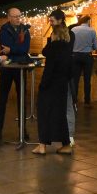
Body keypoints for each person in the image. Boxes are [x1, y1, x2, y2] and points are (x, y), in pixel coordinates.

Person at [33, 15, 75, 154]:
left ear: (54, 35)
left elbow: (49, 68)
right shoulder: (67, 49)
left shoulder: (53, 48)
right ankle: (66, 144)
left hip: (50, 86)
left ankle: (42, 145)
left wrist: (42, 85)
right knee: (60, 115)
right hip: (62, 86)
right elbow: (70, 71)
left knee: (44, 113)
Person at [0, 8, 32, 141]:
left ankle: (23, 130)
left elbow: (25, 49)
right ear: (9, 17)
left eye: (19, 16)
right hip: (7, 67)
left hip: (21, 67)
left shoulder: (25, 30)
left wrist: (12, 49)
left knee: (22, 100)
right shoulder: (4, 30)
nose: (18, 19)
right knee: (2, 99)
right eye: (15, 16)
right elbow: (4, 47)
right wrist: (16, 48)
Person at [71, 15, 97, 105]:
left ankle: (74, 100)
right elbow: (96, 47)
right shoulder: (92, 30)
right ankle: (87, 101)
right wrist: (90, 46)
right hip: (87, 56)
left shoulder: (74, 29)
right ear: (88, 21)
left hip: (75, 56)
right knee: (87, 79)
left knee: (75, 79)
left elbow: (71, 43)